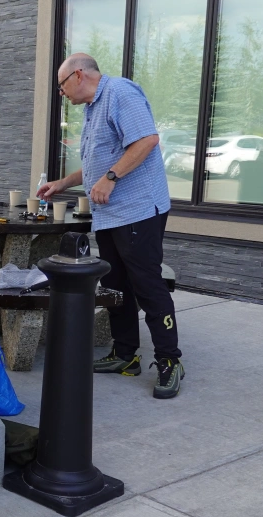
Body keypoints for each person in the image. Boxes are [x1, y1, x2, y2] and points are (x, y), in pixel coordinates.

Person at [38, 53, 184, 399]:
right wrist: (63, 183)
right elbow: (98, 162)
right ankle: (125, 354)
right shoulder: (93, 108)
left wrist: (111, 178)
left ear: (77, 75)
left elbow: (147, 140)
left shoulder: (120, 93)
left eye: (61, 86)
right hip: (110, 214)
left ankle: (169, 361)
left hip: (137, 210)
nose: (62, 94)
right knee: (116, 285)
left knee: (147, 285)